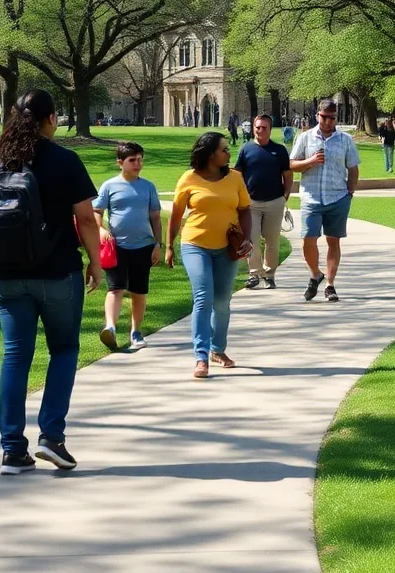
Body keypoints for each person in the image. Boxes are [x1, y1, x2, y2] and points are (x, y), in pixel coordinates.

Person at [0, 89, 101, 475]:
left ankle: (12, 449)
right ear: (51, 119)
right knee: (64, 350)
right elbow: (86, 218)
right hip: (58, 272)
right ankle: (51, 437)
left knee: (15, 357)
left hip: (7, 275)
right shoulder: (64, 160)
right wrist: (96, 262)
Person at [166, 132, 253, 378]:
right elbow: (176, 215)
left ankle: (218, 349)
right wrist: (169, 245)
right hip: (195, 245)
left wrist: (247, 238)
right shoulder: (189, 178)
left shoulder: (235, 177)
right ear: (210, 153)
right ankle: (201, 356)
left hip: (227, 248)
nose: (228, 153)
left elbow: (245, 210)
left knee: (222, 302)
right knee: (203, 298)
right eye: (223, 149)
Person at [93, 141, 162, 352]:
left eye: (140, 160)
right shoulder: (109, 186)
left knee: (138, 291)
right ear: (120, 163)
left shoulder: (148, 186)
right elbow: (97, 212)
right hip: (116, 247)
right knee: (115, 288)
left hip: (143, 246)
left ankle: (136, 332)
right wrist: (101, 229)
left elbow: (155, 217)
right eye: (132, 160)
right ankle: (110, 328)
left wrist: (158, 244)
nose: (137, 164)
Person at [289, 99, 360, 301]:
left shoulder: (345, 140)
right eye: (324, 117)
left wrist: (350, 192)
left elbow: (353, 168)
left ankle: (330, 284)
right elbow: (292, 164)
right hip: (311, 197)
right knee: (308, 240)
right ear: (317, 115)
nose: (328, 121)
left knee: (333, 241)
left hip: (337, 197)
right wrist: (310, 161)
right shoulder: (305, 138)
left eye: (332, 118)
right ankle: (315, 274)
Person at [235, 114, 294, 289]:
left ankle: (269, 275)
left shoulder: (279, 150)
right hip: (251, 203)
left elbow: (288, 175)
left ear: (270, 129)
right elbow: (238, 174)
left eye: (264, 128)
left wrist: (285, 196)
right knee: (251, 239)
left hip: (274, 201)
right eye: (257, 127)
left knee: (272, 240)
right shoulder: (246, 149)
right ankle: (254, 273)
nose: (260, 130)